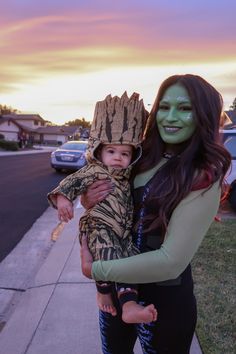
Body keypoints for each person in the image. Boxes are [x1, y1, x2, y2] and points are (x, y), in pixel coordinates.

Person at [80, 74, 231, 354]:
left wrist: (94, 270)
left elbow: (170, 262)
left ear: (204, 116)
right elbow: (103, 198)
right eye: (164, 106)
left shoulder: (203, 176)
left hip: (165, 303)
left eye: (185, 108)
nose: (171, 117)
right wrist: (87, 199)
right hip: (118, 294)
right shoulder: (138, 156)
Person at [48, 92, 157, 324]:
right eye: (111, 151)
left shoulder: (129, 173)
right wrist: (63, 200)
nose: (118, 157)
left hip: (122, 232)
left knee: (128, 261)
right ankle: (104, 291)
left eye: (124, 153)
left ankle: (128, 305)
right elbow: (70, 183)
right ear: (99, 151)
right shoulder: (94, 170)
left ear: (133, 156)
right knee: (106, 256)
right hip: (99, 227)